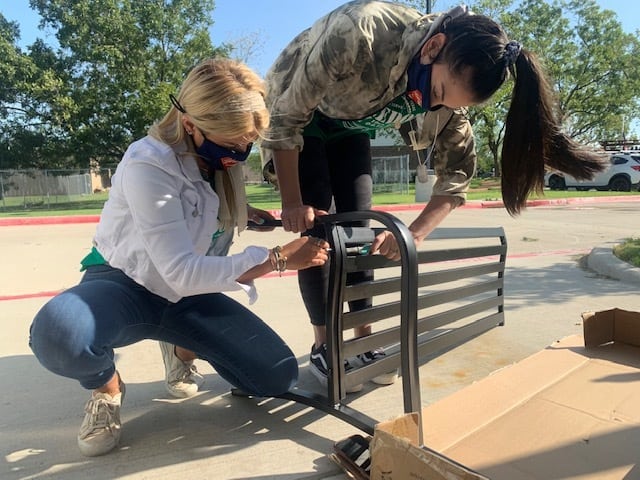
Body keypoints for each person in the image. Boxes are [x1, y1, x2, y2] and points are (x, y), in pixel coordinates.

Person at [261, 0, 603, 390]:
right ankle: (325, 344)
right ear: (433, 47)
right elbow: (287, 116)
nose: (433, 105)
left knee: (360, 230)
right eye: (436, 91)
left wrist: (414, 234)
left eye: (446, 102)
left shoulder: (447, 99)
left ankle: (364, 339)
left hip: (351, 124)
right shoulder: (360, 31)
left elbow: (457, 175)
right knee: (320, 230)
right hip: (302, 119)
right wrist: (292, 202)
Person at [28, 57, 330, 457]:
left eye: (250, 141)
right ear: (190, 124)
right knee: (59, 333)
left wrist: (252, 215)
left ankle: (179, 346)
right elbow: (180, 271)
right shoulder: (147, 163)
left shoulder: (215, 156)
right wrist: (278, 259)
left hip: (189, 292)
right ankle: (106, 388)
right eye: (235, 140)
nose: (243, 150)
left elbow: (201, 214)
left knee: (274, 377)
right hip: (126, 284)